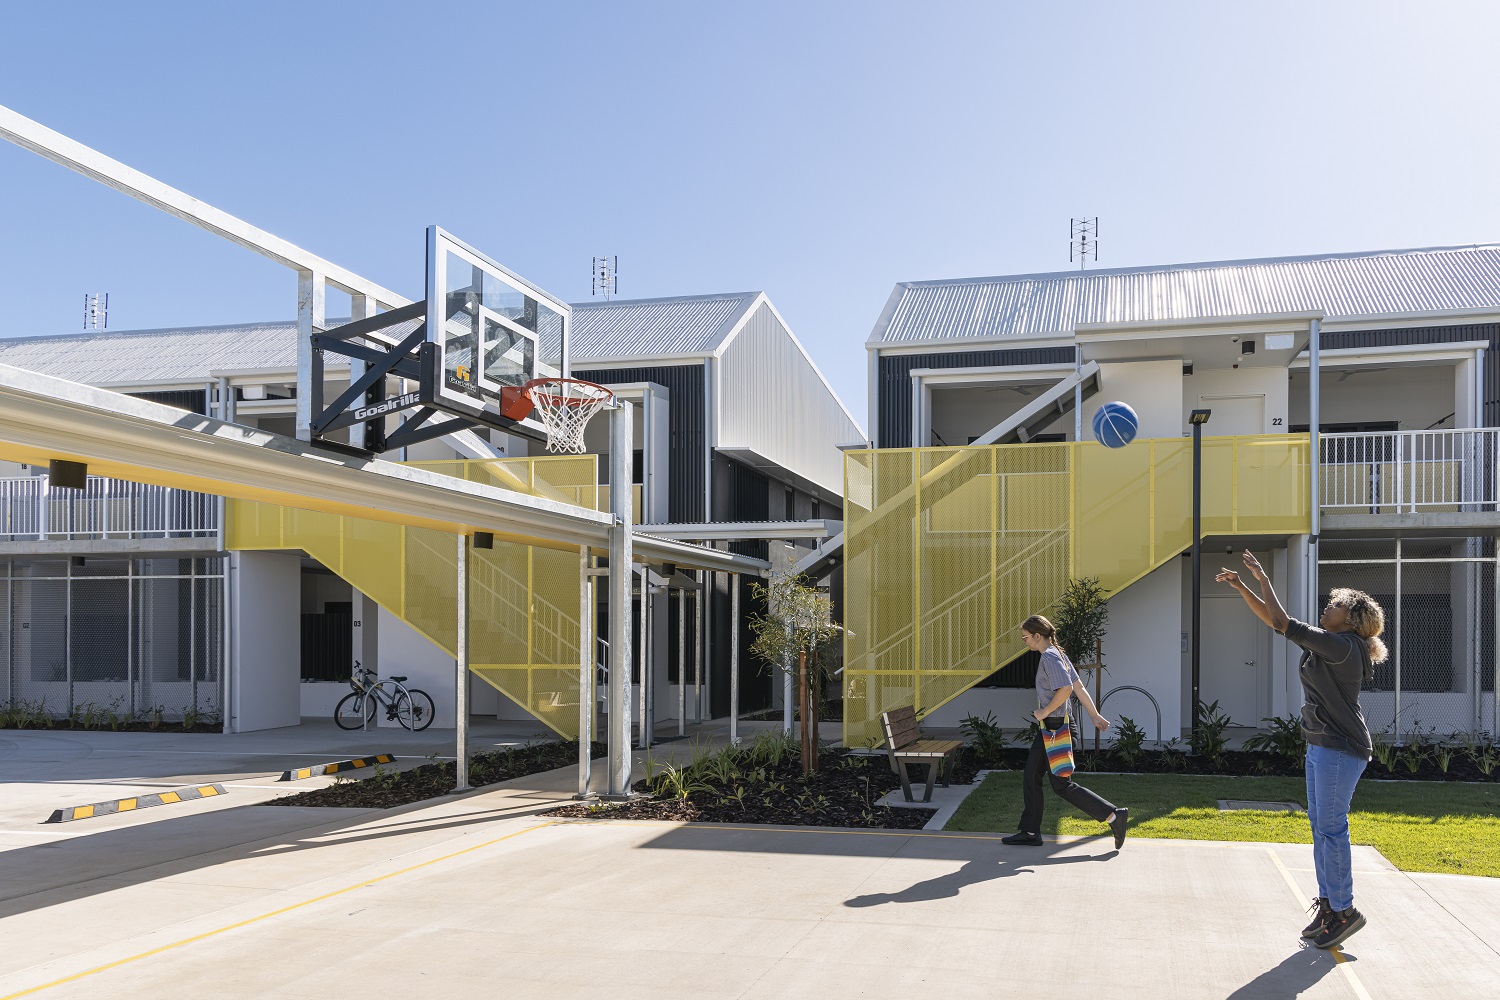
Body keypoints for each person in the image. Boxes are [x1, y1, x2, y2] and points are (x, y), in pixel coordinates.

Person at [1217, 550, 1386, 950]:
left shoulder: (1345, 647)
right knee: (1320, 830)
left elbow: (1282, 621)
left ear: (1353, 619)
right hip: (1321, 746)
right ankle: (1330, 907)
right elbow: (1277, 625)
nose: (1329, 606)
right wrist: (1243, 587)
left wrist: (1261, 578)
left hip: (1340, 748)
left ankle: (1344, 911)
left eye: (1337, 604)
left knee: (1332, 829)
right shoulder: (1333, 644)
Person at [1002, 614, 1129, 850]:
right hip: (1056, 724)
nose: (1025, 642)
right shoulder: (1058, 654)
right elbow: (1079, 687)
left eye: (1026, 638)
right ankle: (1030, 831)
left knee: (1059, 784)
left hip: (1054, 725)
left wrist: (1044, 711)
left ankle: (1113, 815)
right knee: (1032, 775)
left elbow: (1067, 688)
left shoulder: (1049, 656)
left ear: (1038, 636)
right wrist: (1094, 715)